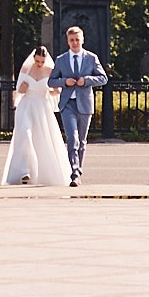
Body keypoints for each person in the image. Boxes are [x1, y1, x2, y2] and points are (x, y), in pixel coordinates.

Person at [49, 24, 107, 188]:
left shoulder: (91, 58)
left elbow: (103, 78)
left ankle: (78, 171)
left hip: (84, 103)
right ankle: (74, 172)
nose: (74, 43)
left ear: (82, 40)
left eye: (77, 40)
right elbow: (51, 81)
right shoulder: (61, 60)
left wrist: (86, 80)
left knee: (81, 141)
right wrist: (64, 82)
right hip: (68, 104)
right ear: (68, 41)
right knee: (72, 138)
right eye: (71, 40)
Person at [2, 47, 66, 188]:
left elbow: (56, 91)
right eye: (37, 61)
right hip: (27, 105)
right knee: (25, 133)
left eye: (42, 61)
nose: (39, 64)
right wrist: (23, 88)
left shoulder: (50, 70)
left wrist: (54, 90)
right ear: (34, 58)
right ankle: (24, 170)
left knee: (42, 138)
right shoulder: (26, 69)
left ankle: (41, 171)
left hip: (42, 106)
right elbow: (19, 90)